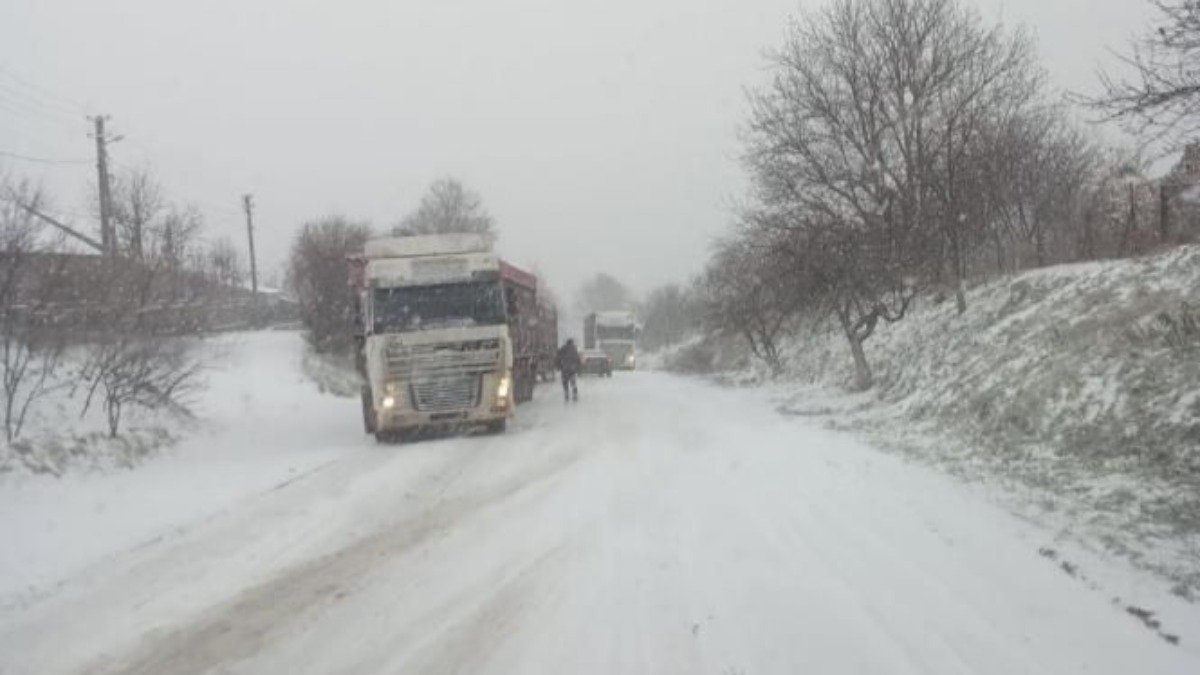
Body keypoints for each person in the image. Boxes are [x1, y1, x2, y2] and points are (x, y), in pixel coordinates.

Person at [554, 338, 581, 402]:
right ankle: (574, 392)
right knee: (573, 381)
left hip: (565, 368)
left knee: (565, 381)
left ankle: (566, 392)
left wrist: (558, 366)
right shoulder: (574, 349)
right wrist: (578, 367)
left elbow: (557, 358)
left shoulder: (563, 349)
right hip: (572, 369)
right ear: (572, 342)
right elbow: (577, 359)